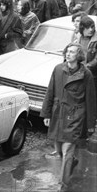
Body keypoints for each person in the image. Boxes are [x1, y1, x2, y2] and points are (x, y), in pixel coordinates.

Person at [41, 43, 96, 192]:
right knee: (59, 149)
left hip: (75, 116)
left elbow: (90, 100)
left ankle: (63, 186)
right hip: (58, 114)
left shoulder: (86, 74)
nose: (68, 54)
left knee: (67, 151)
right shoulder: (58, 69)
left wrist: (91, 124)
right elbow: (50, 91)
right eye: (67, 51)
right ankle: (72, 161)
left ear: (78, 56)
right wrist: (46, 113)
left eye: (72, 52)